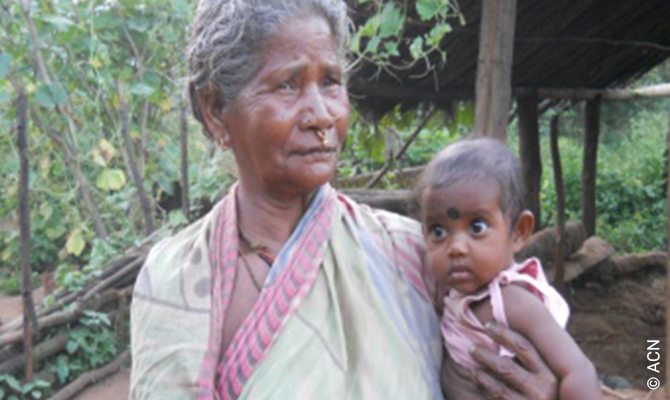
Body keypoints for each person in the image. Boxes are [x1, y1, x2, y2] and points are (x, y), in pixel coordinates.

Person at [130, 1, 561, 399]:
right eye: (287, 86)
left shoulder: (412, 256)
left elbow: (500, 360)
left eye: (331, 82)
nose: (323, 116)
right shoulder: (176, 279)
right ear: (215, 110)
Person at [419, 136, 602, 400]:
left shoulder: (512, 302)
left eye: (477, 227)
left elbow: (578, 370)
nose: (455, 247)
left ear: (519, 232)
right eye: (438, 231)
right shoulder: (452, 293)